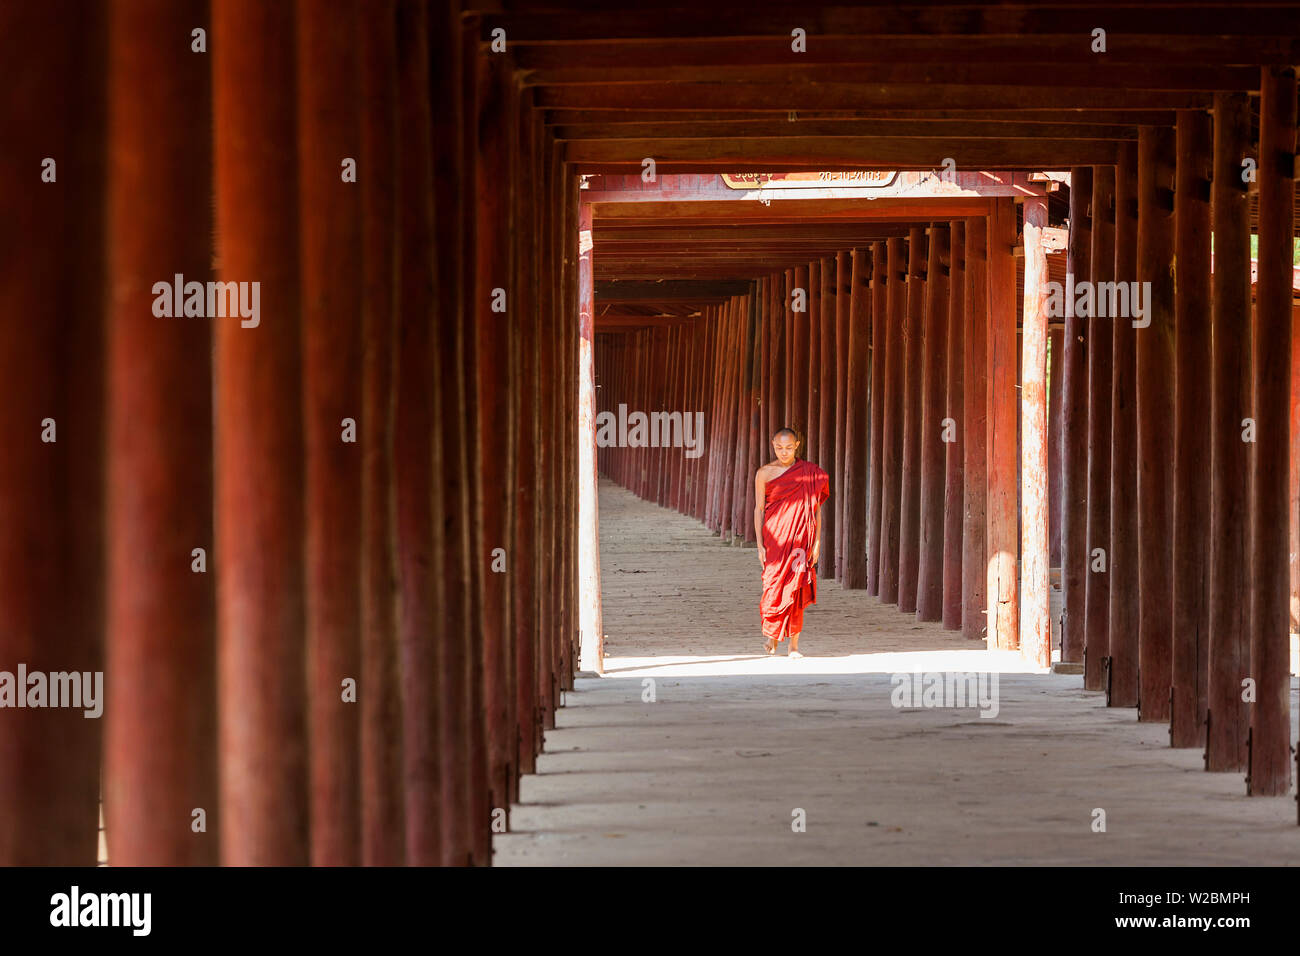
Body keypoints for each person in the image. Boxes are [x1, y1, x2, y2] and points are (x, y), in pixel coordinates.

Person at [754, 426, 829, 658]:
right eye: (779, 447)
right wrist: (759, 544)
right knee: (773, 584)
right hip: (775, 537)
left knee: (795, 588)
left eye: (788, 447)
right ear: (772, 445)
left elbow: (815, 509)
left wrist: (817, 542)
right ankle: (773, 636)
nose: (783, 452)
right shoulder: (764, 473)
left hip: (800, 538)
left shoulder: (809, 473)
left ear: (797, 445)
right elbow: (758, 509)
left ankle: (794, 645)